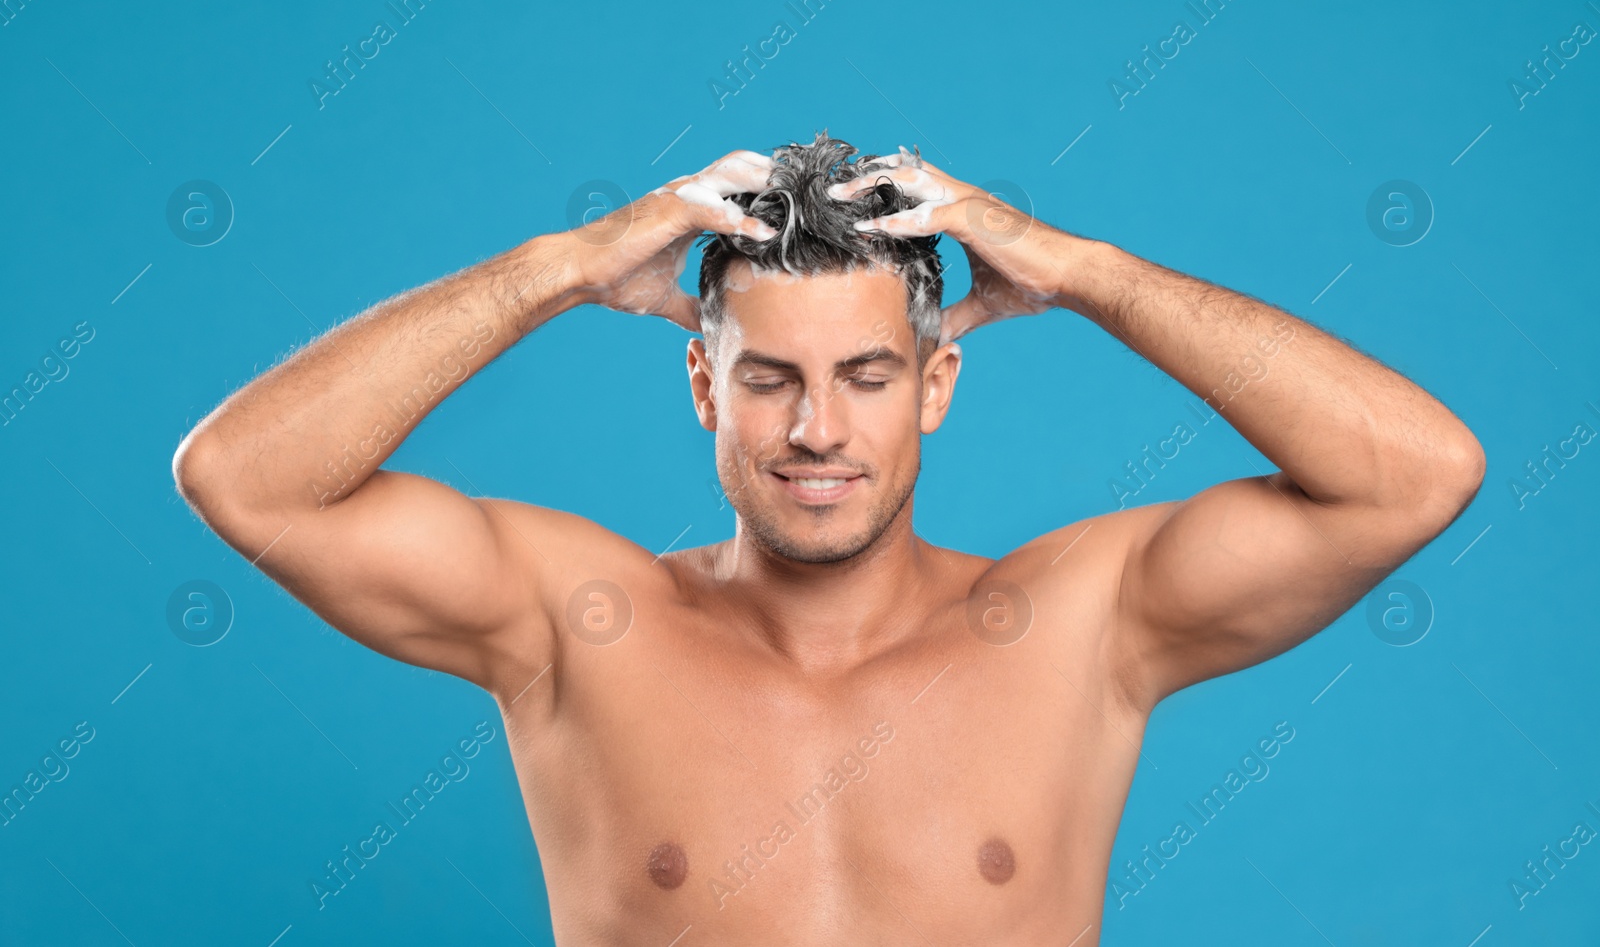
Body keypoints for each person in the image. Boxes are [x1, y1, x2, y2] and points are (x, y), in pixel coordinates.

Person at [172, 132, 1484, 945]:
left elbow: (1416, 476)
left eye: (865, 375)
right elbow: (248, 479)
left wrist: (1088, 272)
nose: (815, 430)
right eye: (766, 379)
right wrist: (559, 266)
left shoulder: (1087, 626)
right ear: (701, 387)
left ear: (936, 386)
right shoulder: (570, 622)